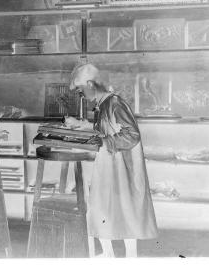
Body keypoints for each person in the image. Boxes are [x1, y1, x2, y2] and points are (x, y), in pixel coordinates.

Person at [65, 63, 158, 258]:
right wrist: (81, 125)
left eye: (81, 90)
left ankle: (130, 258)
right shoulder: (103, 103)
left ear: (90, 84)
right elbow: (106, 128)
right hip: (109, 165)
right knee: (101, 210)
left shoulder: (115, 103)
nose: (81, 95)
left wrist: (105, 140)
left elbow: (132, 135)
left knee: (124, 211)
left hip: (121, 168)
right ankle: (109, 255)